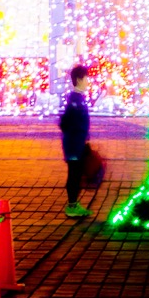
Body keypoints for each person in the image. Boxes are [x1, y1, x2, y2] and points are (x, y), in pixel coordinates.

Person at [58, 65, 92, 219]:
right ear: (78, 80)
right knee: (74, 174)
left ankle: (74, 203)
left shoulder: (78, 99)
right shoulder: (75, 101)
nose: (87, 82)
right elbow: (65, 122)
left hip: (77, 143)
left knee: (76, 173)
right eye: (86, 79)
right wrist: (76, 137)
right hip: (73, 145)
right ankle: (71, 205)